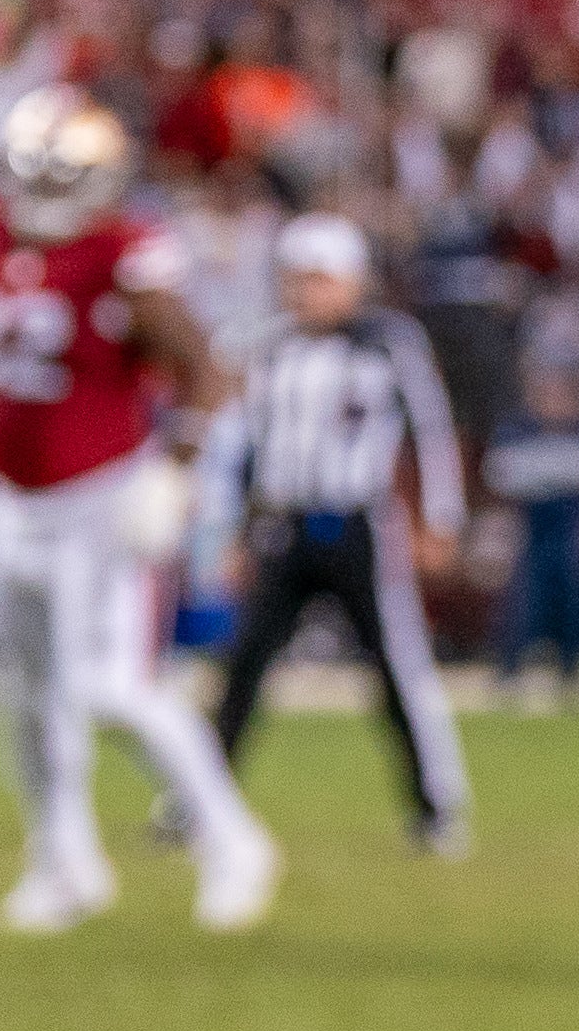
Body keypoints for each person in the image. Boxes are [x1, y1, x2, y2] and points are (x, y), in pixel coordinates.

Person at [0, 84, 279, 935]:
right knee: (23, 690)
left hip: (99, 498)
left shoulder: (126, 250)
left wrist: (177, 468)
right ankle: (61, 858)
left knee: (110, 687)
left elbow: (205, 368)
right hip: (8, 502)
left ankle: (231, 840)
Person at [201, 214, 474, 851]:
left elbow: (430, 431)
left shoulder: (387, 343)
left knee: (397, 669)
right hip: (284, 525)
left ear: (351, 281)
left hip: (359, 523)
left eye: (319, 280)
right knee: (242, 669)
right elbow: (248, 445)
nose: (305, 294)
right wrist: (236, 528)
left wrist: (441, 519)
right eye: (296, 280)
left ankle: (437, 805)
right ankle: (200, 803)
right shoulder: (270, 348)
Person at [483, 367, 579, 706]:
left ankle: (571, 672)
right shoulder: (517, 430)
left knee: (575, 601)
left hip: (570, 531)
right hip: (531, 531)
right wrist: (554, 477)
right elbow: (501, 476)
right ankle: (508, 672)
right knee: (523, 603)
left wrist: (545, 477)